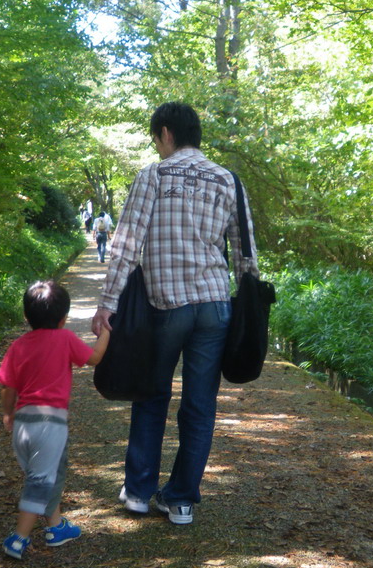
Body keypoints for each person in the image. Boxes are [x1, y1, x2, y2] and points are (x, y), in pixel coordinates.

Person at [90, 102, 258, 526]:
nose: (157, 146)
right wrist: (248, 310)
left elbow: (127, 244)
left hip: (165, 305)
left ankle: (139, 492)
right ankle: (181, 500)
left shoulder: (154, 175)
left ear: (165, 133)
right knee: (200, 406)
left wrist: (108, 304)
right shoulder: (228, 180)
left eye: (156, 138)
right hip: (215, 307)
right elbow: (246, 253)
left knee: (150, 394)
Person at [0, 279, 110, 559]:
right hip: (50, 424)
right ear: (63, 318)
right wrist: (107, 332)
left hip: (23, 424)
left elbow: (8, 387)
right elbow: (95, 358)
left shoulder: (18, 345)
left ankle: (56, 527)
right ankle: (19, 538)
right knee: (40, 480)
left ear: (27, 316)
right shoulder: (65, 338)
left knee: (48, 473)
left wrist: (8, 413)